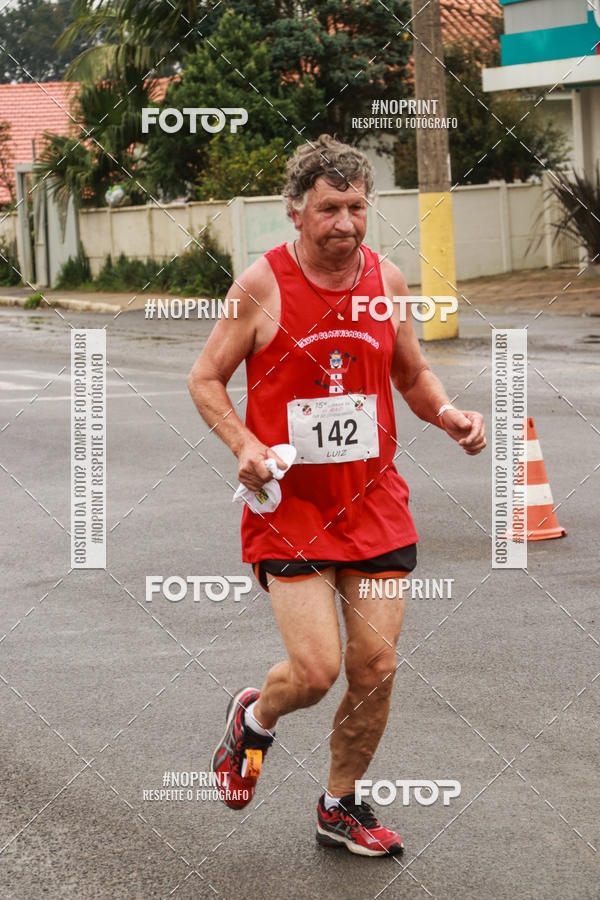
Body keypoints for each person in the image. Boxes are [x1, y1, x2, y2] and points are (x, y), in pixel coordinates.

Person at [187, 134, 486, 857]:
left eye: (357, 206)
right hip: (289, 508)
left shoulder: (386, 281)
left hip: (374, 498)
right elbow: (205, 379)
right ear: (296, 212)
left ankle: (339, 804)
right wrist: (244, 445)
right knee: (318, 672)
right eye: (329, 208)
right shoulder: (262, 286)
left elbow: (411, 375)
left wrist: (446, 412)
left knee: (375, 668)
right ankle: (257, 716)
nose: (346, 223)